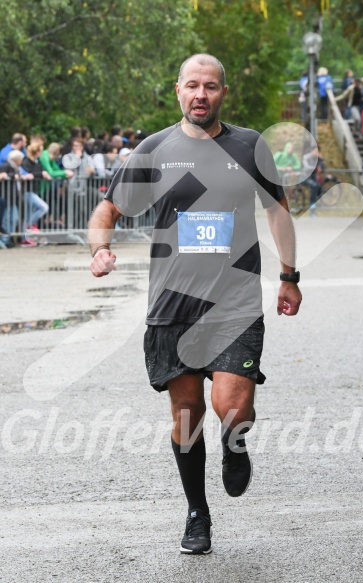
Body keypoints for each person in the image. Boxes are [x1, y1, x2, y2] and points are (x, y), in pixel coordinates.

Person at [88, 53, 302, 555]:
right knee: (186, 414)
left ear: (223, 92)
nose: (200, 94)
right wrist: (99, 248)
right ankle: (197, 513)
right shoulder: (154, 149)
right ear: (178, 90)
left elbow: (278, 211)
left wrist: (290, 276)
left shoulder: (250, 146)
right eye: (192, 85)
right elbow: (109, 207)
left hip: (235, 301)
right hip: (172, 305)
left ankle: (236, 443)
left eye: (210, 86)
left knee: (232, 406)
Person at [302, 145, 325, 216]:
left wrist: (321, 160)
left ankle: (314, 204)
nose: (316, 152)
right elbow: (307, 167)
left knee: (319, 187)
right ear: (312, 150)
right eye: (315, 151)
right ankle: (312, 206)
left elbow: (323, 167)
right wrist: (315, 167)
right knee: (314, 186)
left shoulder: (318, 158)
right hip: (304, 177)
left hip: (313, 178)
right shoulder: (306, 157)